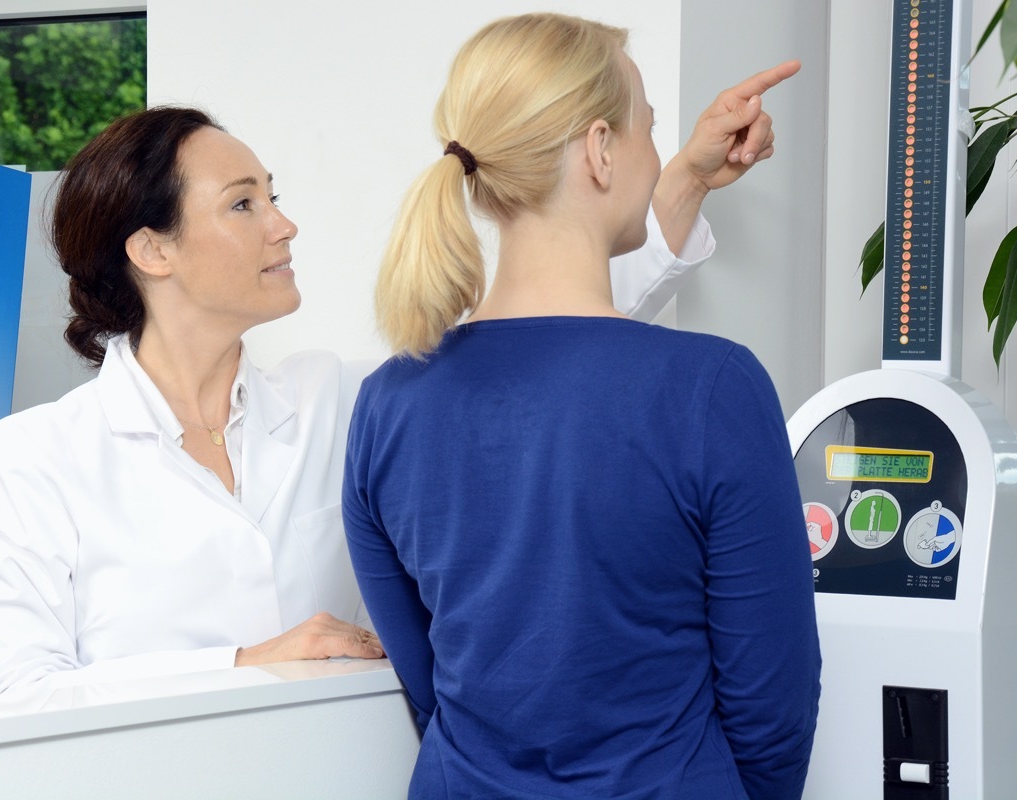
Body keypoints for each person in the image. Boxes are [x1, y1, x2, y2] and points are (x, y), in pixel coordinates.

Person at [0, 58, 795, 698]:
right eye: (244, 204)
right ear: (151, 249)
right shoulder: (33, 458)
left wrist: (681, 181)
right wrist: (243, 666)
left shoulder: (336, 402)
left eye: (273, 194)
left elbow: (534, 354)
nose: (285, 224)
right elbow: (4, 694)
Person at [342, 13, 820, 799]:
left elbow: (427, 684)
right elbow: (773, 701)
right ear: (601, 150)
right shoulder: (712, 388)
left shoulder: (387, 403)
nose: (659, 155)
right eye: (649, 132)